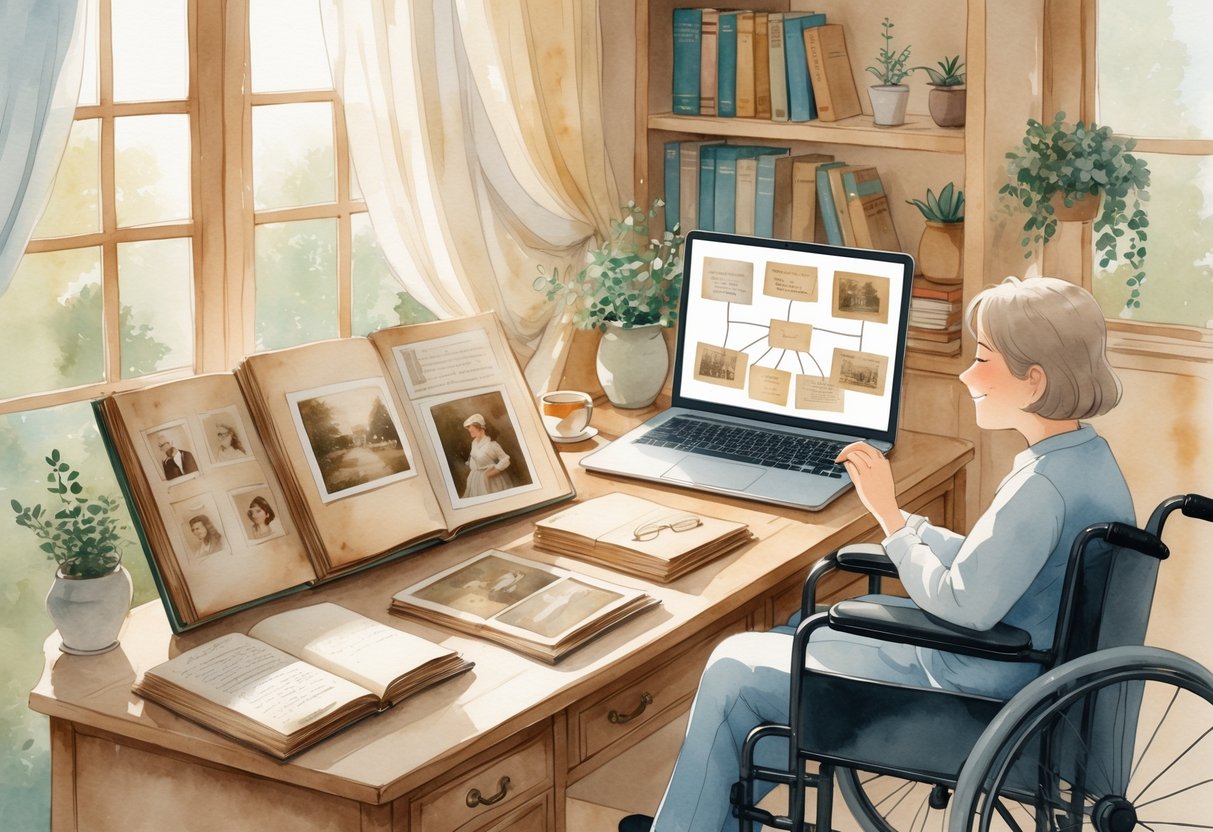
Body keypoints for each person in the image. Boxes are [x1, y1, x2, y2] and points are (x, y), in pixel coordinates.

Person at [619, 276, 1135, 832]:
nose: (967, 374)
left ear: (1034, 379)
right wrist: (915, 527)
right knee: (792, 630)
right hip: (1024, 673)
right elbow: (1000, 567)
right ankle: (710, 818)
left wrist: (889, 517)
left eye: (984, 359)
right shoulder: (1083, 462)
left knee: (733, 665)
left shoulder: (1040, 488)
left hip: (973, 690)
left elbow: (967, 604)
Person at [461, 413, 515, 498]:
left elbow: (505, 459)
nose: (469, 430)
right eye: (468, 427)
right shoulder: (474, 443)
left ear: (480, 428)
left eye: (471, 427)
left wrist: (491, 473)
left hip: (490, 479)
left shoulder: (492, 444)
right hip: (475, 478)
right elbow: (475, 456)